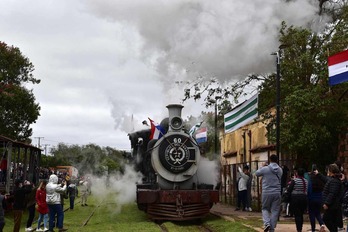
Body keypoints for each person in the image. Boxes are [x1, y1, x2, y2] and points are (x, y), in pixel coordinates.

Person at [255, 154, 283, 232]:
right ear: (277, 160)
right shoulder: (280, 170)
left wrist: (263, 166)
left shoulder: (265, 169)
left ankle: (267, 223)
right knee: (275, 210)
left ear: (270, 160)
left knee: (265, 208)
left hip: (266, 192)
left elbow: (257, 173)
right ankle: (272, 228)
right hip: (277, 192)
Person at [320, 163, 342, 232]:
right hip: (333, 205)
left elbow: (332, 193)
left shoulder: (334, 181)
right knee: (332, 220)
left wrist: (326, 203)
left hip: (332, 205)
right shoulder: (334, 180)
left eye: (329, 170)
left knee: (326, 218)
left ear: (331, 171)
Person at [287, 168, 308, 232]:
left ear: (297, 173)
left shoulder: (295, 181)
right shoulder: (306, 181)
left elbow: (289, 190)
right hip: (304, 198)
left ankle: (299, 229)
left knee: (297, 214)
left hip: (295, 198)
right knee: (301, 214)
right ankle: (300, 227)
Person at [308, 165, 325, 232]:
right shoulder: (320, 180)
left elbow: (309, 190)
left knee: (311, 214)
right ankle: (321, 223)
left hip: (311, 198)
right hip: (319, 198)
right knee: (317, 213)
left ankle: (313, 229)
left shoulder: (310, 179)